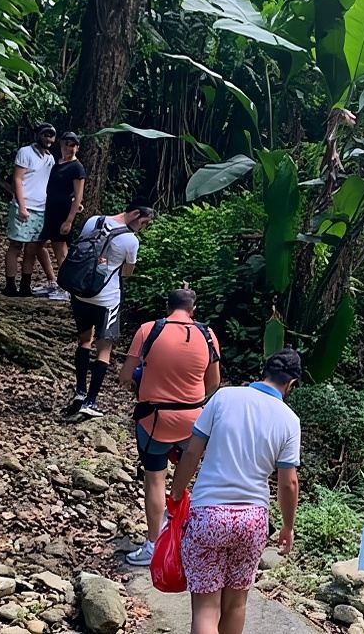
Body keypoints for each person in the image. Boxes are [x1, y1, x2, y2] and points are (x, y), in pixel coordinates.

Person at [169, 349, 302, 634]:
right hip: (253, 520)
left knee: (206, 608)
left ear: (263, 372)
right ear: (291, 384)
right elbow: (288, 483)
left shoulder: (224, 397)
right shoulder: (290, 420)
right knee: (237, 604)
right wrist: (288, 526)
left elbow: (192, 451)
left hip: (209, 514)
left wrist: (176, 494)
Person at [119, 286, 222, 566]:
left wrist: (142, 384)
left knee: (154, 480)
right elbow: (213, 383)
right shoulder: (207, 334)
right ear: (193, 309)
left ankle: (154, 545)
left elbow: (126, 375)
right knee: (188, 479)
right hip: (194, 423)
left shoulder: (148, 330)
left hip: (155, 420)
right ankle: (188, 540)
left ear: (168, 306)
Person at [63, 203, 156, 421]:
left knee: (84, 341)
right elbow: (127, 271)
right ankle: (90, 401)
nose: (144, 227)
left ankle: (79, 392)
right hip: (106, 298)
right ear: (135, 214)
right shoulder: (130, 241)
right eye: (144, 222)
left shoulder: (93, 221)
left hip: (80, 293)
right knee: (104, 349)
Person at [3, 124, 56, 297]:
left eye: (51, 136)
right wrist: (22, 206)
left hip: (41, 207)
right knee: (16, 245)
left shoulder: (50, 158)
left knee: (33, 248)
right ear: (38, 135)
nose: (48, 139)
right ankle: (10, 284)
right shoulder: (25, 152)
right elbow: (18, 179)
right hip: (24, 205)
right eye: (45, 135)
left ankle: (25, 284)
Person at [35, 131, 86, 301]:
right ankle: (52, 281)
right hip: (48, 211)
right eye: (66, 144)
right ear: (61, 145)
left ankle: (66, 289)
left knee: (61, 251)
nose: (69, 148)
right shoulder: (55, 163)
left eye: (73, 145)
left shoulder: (76, 167)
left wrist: (69, 220)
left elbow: (78, 196)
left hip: (63, 213)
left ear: (77, 148)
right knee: (37, 245)